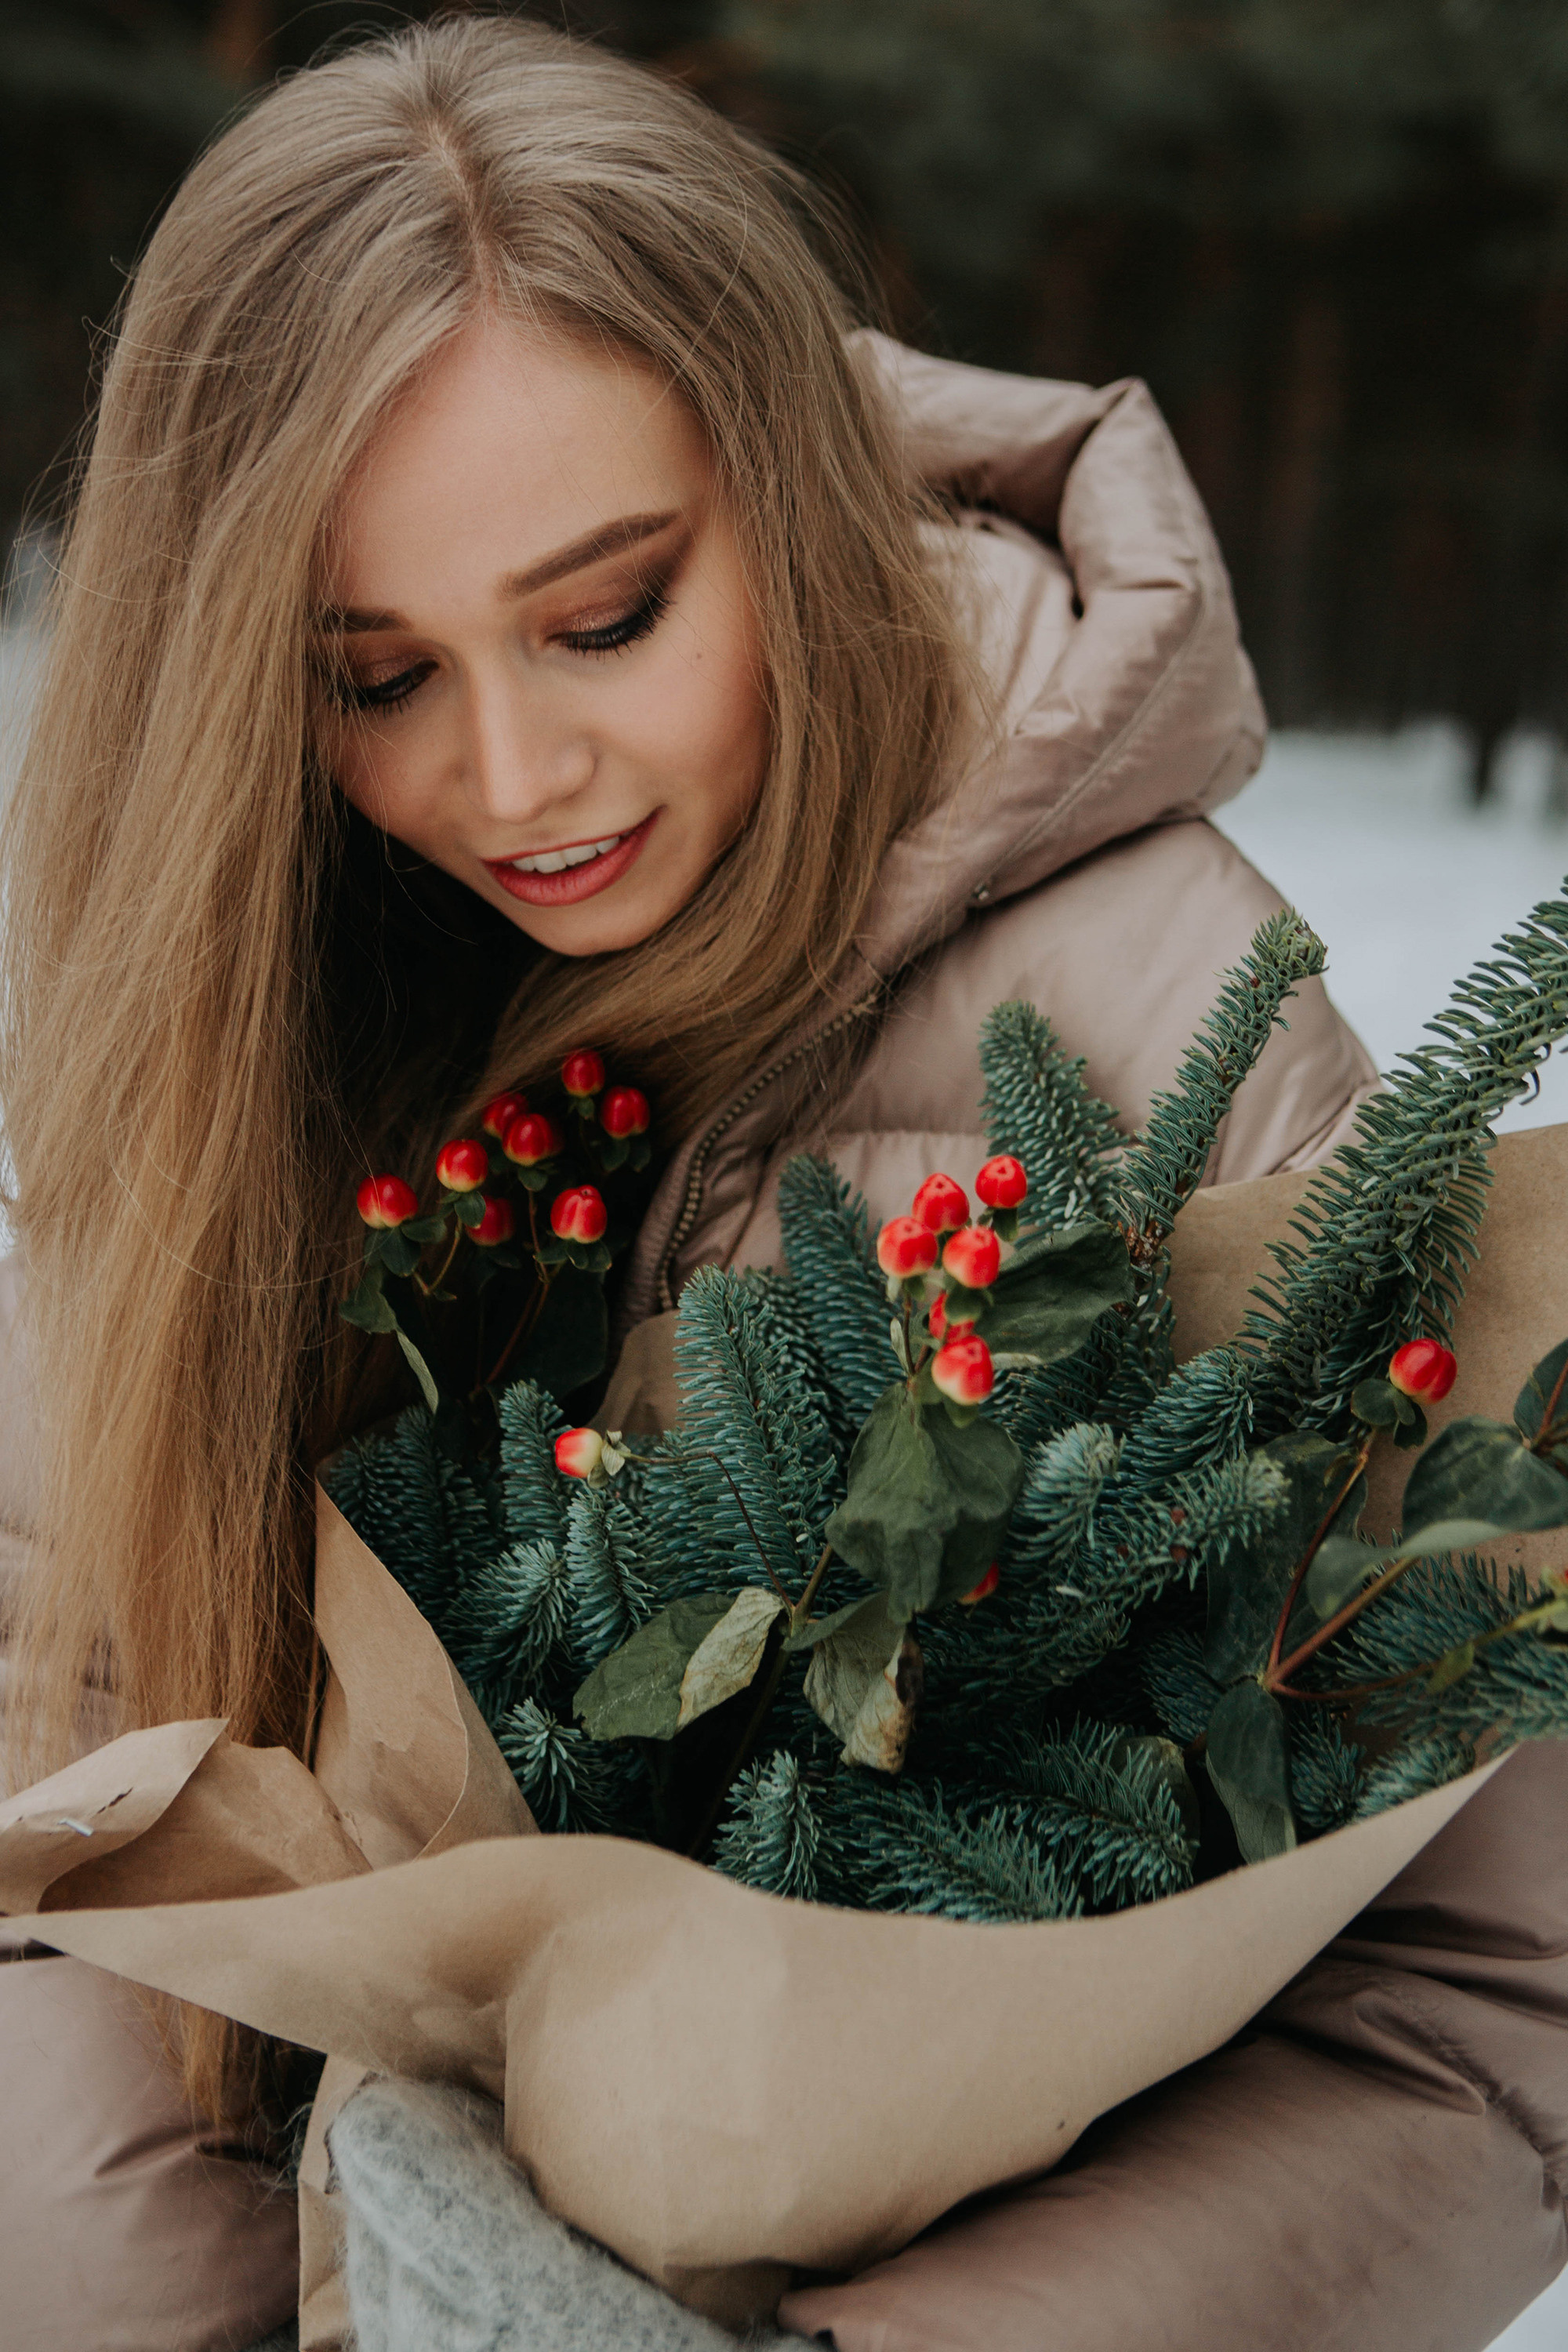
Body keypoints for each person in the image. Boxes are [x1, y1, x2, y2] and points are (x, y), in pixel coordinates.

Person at [0, 17, 1561, 2352]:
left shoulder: (1177, 1043)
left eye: (609, 613)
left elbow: (1475, 2008)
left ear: (799, 489)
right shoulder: (248, 1024)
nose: (513, 776)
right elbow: (55, 1801)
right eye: (373, 674)